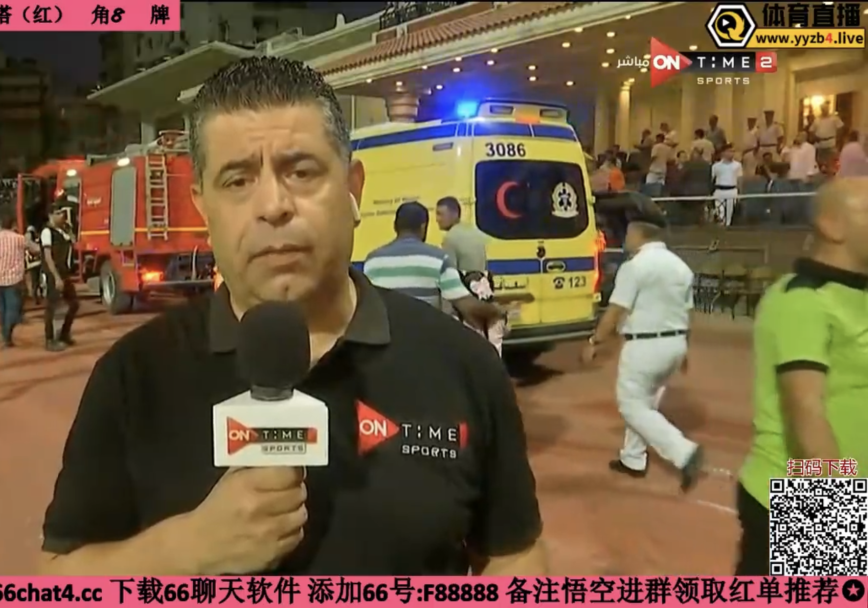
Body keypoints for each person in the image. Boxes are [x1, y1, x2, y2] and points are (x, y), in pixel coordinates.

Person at [40, 56, 546, 576]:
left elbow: (515, 555)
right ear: (203, 205)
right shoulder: (134, 376)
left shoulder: (463, 365)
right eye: (238, 180)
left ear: (353, 188)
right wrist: (183, 550)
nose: (273, 205)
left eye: (301, 172)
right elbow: (57, 575)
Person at [735, 178, 868, 574]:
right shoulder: (803, 300)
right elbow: (807, 414)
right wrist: (840, 525)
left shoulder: (857, 295)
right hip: (805, 499)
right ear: (831, 224)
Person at [581, 208, 703, 492]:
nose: (625, 238)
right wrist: (685, 347)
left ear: (640, 235)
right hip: (674, 343)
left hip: (645, 345)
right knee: (645, 404)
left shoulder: (635, 266)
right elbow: (688, 311)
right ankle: (633, 458)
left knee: (631, 405)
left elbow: (616, 310)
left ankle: (684, 452)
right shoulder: (681, 267)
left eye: (628, 233)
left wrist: (595, 341)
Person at [365, 202, 510, 352]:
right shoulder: (437, 258)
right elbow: (467, 305)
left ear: (395, 226)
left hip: (387, 346)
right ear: (423, 227)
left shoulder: (372, 261)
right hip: (424, 347)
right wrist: (496, 311)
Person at [0, 215, 34, 347]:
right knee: (13, 308)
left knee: (3, 308)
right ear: (13, 225)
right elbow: (35, 248)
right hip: (14, 278)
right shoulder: (19, 238)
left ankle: (5, 334)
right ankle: (7, 334)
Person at [40, 208, 79, 351]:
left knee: (74, 304)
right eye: (58, 213)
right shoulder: (47, 232)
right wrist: (56, 277)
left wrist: (69, 232)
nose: (62, 216)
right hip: (53, 273)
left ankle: (64, 334)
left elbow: (73, 244)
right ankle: (49, 339)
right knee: (51, 306)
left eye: (63, 213)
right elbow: (48, 256)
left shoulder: (63, 231)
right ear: (51, 215)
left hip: (64, 272)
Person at [711, 145, 743, 226]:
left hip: (732, 191)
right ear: (723, 153)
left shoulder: (737, 165)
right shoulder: (716, 166)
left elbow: (739, 179)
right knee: (720, 213)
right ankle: (720, 227)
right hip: (719, 191)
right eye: (729, 151)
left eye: (733, 151)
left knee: (729, 213)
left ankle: (727, 226)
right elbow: (712, 179)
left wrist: (740, 193)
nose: (731, 153)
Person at [808, 103, 843, 171]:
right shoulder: (817, 120)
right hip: (820, 144)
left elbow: (840, 128)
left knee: (830, 162)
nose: (824, 110)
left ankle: (830, 173)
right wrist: (815, 137)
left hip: (830, 143)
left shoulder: (834, 119)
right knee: (819, 162)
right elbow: (811, 130)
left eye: (825, 109)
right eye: (823, 109)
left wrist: (838, 140)